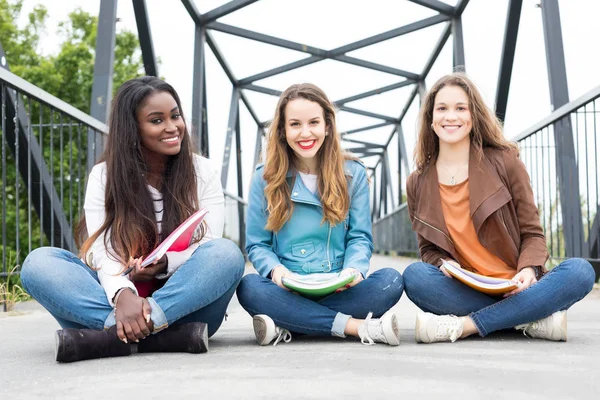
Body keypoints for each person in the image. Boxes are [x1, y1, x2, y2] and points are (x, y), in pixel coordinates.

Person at [20, 76, 245, 362]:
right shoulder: (104, 176)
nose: (172, 127)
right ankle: (160, 336)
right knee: (39, 263)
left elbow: (209, 242)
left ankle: (114, 335)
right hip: (119, 298)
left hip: (185, 302)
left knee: (226, 254)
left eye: (175, 116)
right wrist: (123, 294)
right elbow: (102, 251)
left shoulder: (203, 171)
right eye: (156, 120)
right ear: (133, 129)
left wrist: (165, 264)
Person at [403, 73, 595, 343]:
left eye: (461, 108)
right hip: (466, 288)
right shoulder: (417, 183)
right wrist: (444, 264)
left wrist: (528, 270)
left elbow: (533, 234)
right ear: (430, 119)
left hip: (518, 286)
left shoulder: (505, 162)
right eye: (442, 109)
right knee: (415, 277)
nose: (451, 116)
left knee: (580, 271)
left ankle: (468, 325)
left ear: (473, 115)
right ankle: (527, 319)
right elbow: (428, 250)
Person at [236, 83, 404, 346]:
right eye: (295, 124)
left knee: (391, 281)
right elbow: (258, 244)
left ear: (327, 125)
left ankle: (293, 323)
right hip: (289, 287)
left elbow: (360, 237)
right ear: (282, 130)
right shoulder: (265, 177)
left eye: (314, 122)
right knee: (249, 288)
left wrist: (353, 271)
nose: (305, 133)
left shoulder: (353, 173)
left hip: (338, 284)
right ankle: (355, 326)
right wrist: (278, 273)